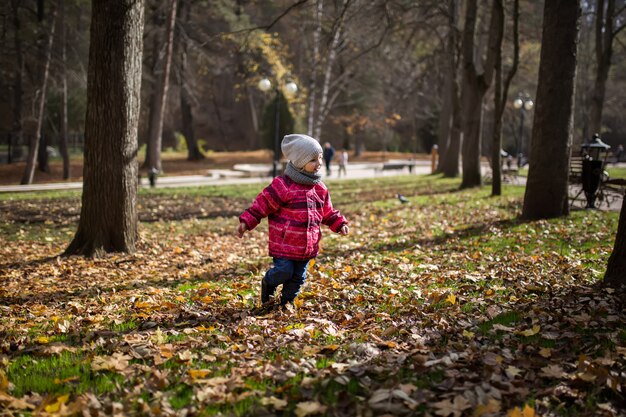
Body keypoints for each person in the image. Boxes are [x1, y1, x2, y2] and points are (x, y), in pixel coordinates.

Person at [237, 134, 349, 312]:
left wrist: (339, 224)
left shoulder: (320, 188)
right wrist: (247, 221)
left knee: (298, 278)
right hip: (284, 244)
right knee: (284, 272)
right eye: (313, 159)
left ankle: (284, 304)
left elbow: (327, 212)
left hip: (307, 246)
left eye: (320, 157)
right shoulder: (283, 185)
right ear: (298, 162)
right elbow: (262, 204)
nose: (319, 162)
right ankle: (268, 283)